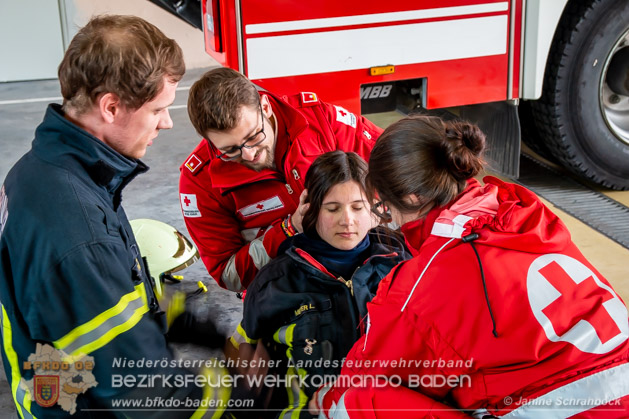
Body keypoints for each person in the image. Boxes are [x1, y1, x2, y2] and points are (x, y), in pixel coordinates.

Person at [312, 115, 629, 418]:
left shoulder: (426, 282)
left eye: (383, 206)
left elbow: (367, 372)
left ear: (409, 196)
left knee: (357, 400)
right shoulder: (520, 211)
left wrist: (327, 400)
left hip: (575, 410)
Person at [0, 15, 225, 418]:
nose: (167, 122)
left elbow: (100, 299)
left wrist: (181, 321)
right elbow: (150, 400)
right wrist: (250, 393)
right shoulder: (76, 232)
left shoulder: (43, 171)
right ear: (111, 106)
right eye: (158, 108)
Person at [226, 151, 410, 418]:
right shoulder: (275, 283)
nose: (347, 220)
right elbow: (243, 370)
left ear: (375, 207)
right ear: (310, 208)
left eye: (358, 207)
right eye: (332, 208)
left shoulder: (402, 266)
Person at [180, 67, 383, 292]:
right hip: (284, 292)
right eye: (230, 150)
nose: (249, 154)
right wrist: (289, 229)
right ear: (209, 142)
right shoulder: (198, 182)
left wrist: (372, 213)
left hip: (363, 272)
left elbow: (397, 165)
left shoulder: (317, 119)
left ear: (265, 107)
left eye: (254, 136)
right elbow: (229, 276)